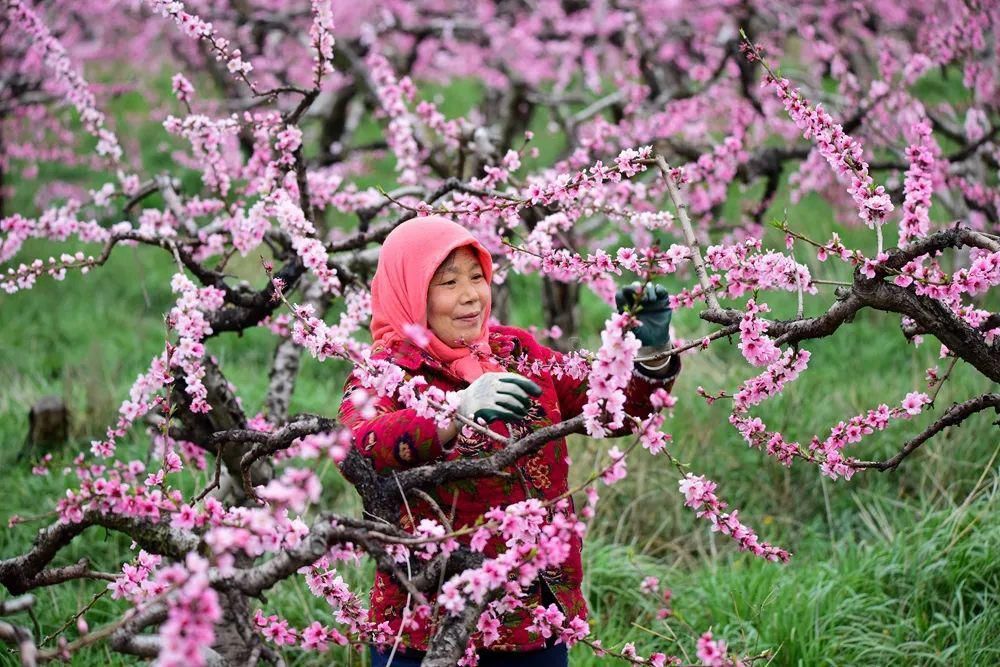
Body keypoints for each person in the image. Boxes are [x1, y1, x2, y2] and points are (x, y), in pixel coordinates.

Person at [339, 216, 680, 666]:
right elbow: (355, 446)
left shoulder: (516, 352)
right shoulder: (386, 373)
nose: (470, 296)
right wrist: (452, 412)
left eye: (477, 277)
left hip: (534, 613)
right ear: (409, 291)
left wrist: (647, 353)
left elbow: (612, 410)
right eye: (447, 282)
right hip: (426, 625)